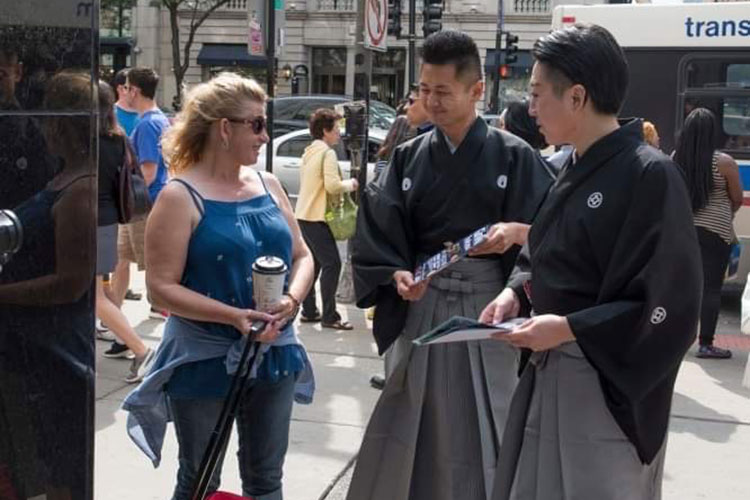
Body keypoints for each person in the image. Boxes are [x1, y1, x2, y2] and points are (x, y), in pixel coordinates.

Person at [481, 24, 702, 500]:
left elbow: (671, 303)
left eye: (538, 94)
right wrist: (513, 292)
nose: (530, 107)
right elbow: (540, 252)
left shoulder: (650, 173)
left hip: (602, 383)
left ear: (577, 96)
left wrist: (570, 327)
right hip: (549, 364)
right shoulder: (572, 166)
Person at [348, 30, 553, 500]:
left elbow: (552, 236)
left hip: (490, 306)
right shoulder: (408, 157)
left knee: (492, 415)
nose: (431, 101)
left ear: (476, 90)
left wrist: (517, 269)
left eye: (443, 91)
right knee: (414, 417)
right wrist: (396, 273)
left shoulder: (516, 156)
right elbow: (378, 230)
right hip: (422, 302)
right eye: (424, 90)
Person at [122, 72, 315, 500]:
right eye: (258, 124)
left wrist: (292, 298)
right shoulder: (179, 196)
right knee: (199, 479)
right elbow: (160, 288)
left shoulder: (269, 185)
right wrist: (232, 316)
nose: (266, 136)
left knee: (266, 480)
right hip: (203, 358)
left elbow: (303, 255)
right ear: (224, 129)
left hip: (274, 353)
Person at [0, 70, 97, 500]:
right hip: (39, 349)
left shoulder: (79, 190)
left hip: (57, 353)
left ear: (59, 122)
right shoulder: (66, 177)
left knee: (62, 474)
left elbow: (70, 284)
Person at [108, 67, 170, 360]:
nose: (124, 92)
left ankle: (163, 341)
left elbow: (148, 172)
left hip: (143, 207)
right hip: (140, 207)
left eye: (127, 87)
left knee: (156, 273)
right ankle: (116, 326)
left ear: (134, 90)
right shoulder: (159, 120)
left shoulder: (147, 125)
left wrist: (123, 198)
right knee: (120, 260)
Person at [95, 79, 155, 382]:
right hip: (107, 219)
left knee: (95, 297)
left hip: (89, 221)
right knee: (98, 291)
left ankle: (141, 351)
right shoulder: (118, 137)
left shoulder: (88, 139)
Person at [674, 108, 741, 359]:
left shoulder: (675, 158)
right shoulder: (724, 162)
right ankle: (706, 343)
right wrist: (724, 212)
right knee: (711, 288)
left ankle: (676, 340)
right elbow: (736, 197)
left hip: (683, 230)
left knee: (683, 287)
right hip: (716, 231)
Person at [295, 108, 358, 330]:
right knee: (333, 263)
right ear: (325, 131)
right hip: (317, 216)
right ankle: (330, 316)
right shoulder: (327, 154)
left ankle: (310, 310)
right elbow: (332, 186)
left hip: (304, 215)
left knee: (315, 265)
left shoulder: (310, 151)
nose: (339, 133)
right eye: (336, 129)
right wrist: (350, 184)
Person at [112, 68, 140, 136]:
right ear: (120, 89)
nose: (136, 92)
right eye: (132, 88)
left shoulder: (145, 114)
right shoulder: (110, 114)